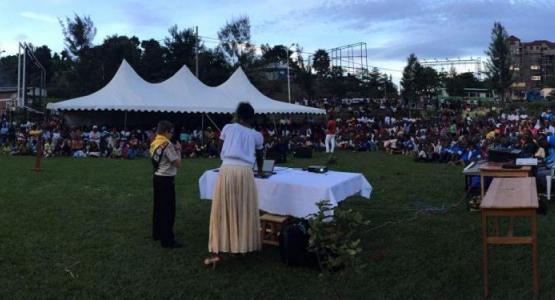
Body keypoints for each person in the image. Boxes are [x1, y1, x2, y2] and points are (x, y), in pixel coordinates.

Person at [205, 102, 264, 268]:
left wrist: (228, 158)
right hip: (245, 172)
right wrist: (259, 170)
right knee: (243, 208)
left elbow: (220, 148)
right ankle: (241, 247)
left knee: (223, 208)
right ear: (252, 117)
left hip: (226, 169)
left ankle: (219, 247)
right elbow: (259, 156)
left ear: (238, 115)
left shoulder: (228, 128)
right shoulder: (256, 135)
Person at [150, 120, 182, 249]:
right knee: (168, 210)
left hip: (157, 176)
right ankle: (167, 240)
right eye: (171, 132)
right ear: (166, 131)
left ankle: (157, 233)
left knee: (158, 208)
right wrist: (178, 150)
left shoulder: (154, 142)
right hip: (166, 179)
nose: (172, 135)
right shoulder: (167, 144)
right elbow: (177, 163)